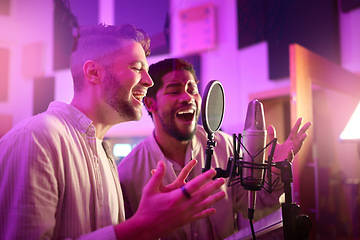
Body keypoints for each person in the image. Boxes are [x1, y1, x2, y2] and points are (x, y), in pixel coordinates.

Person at [0, 25, 227, 240]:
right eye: (137, 69)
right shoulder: (35, 138)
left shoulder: (103, 153)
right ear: (94, 72)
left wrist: (153, 222)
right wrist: (143, 226)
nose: (148, 82)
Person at [117, 58, 312, 240]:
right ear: (151, 103)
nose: (188, 97)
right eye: (174, 91)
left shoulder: (226, 146)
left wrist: (274, 174)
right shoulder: (128, 174)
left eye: (192, 90)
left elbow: (251, 207)